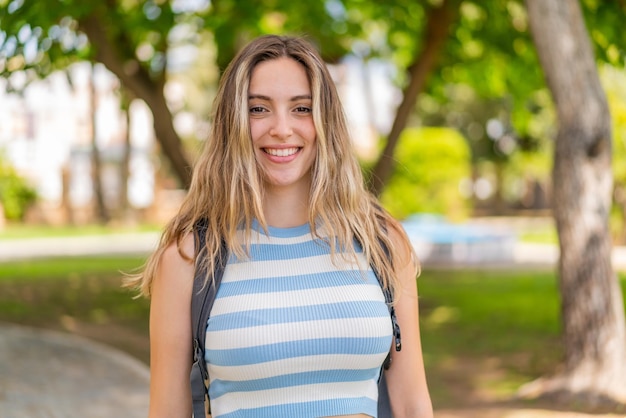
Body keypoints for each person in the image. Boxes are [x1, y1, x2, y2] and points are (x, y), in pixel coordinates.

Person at [127, 34, 433, 418]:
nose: (282, 128)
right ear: (232, 122)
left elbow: (411, 406)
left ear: (325, 120)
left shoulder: (382, 243)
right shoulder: (189, 257)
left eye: (301, 108)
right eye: (258, 109)